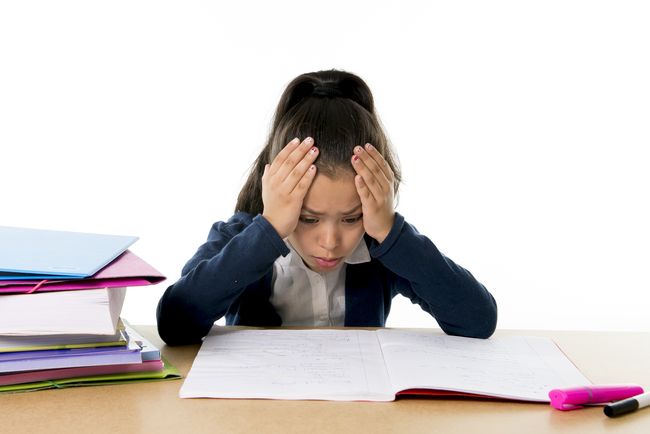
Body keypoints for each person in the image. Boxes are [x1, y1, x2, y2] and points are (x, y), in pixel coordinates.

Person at [156, 69, 497, 345]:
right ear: (277, 192)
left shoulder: (383, 247)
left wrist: (390, 232)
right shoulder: (241, 238)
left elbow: (478, 320)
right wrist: (269, 230)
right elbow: (175, 324)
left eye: (351, 218)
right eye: (308, 218)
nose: (330, 241)